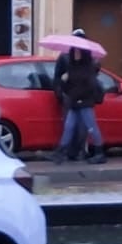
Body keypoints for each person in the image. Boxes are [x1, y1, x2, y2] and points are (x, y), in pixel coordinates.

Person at [49, 46, 107, 164]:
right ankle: (60, 152)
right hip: (74, 102)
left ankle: (99, 152)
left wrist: (76, 95)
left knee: (91, 127)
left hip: (84, 102)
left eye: (78, 51)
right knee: (69, 126)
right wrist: (63, 81)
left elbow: (89, 86)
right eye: (74, 51)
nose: (76, 54)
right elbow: (68, 87)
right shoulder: (72, 67)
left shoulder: (88, 68)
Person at [51, 28, 91, 160]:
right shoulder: (65, 57)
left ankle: (80, 151)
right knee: (70, 126)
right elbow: (57, 78)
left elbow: (92, 76)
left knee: (83, 126)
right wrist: (60, 94)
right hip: (69, 96)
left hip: (84, 97)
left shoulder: (88, 58)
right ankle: (68, 151)